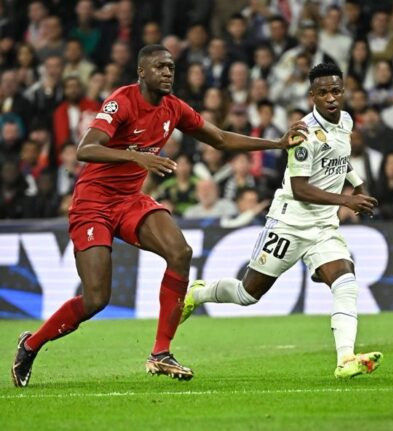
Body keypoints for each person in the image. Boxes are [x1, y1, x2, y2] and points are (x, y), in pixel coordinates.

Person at [11, 44, 307, 388]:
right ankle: (31, 344)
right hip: (93, 203)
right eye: (160, 67)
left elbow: (221, 139)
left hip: (129, 200)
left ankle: (160, 352)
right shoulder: (121, 101)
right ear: (141, 71)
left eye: (171, 67)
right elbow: (85, 149)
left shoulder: (173, 108)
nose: (168, 72)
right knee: (96, 299)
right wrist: (136, 157)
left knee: (180, 253)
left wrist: (276, 144)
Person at [179, 63, 383, 379]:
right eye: (324, 92)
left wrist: (357, 184)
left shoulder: (345, 121)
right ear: (312, 95)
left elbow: (339, 160)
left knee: (346, 282)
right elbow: (300, 189)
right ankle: (200, 292)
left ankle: (346, 360)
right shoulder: (303, 134)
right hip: (289, 223)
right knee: (248, 294)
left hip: (323, 226)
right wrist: (347, 199)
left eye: (336, 91)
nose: (331, 97)